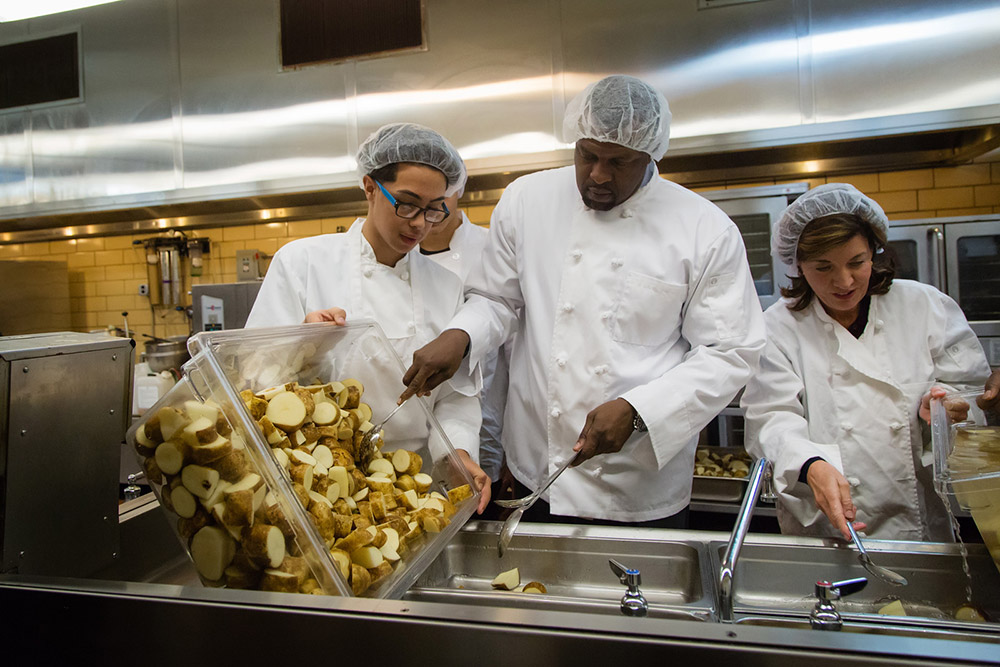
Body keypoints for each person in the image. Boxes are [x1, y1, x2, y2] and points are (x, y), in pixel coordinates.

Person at [399, 75, 766, 526]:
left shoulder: (704, 230)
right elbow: (497, 299)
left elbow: (731, 352)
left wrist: (638, 411)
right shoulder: (526, 200)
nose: (597, 174)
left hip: (637, 487)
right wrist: (462, 334)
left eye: (619, 161)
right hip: (535, 475)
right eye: (587, 155)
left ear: (650, 155)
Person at [245, 122, 490, 513]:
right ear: (370, 187)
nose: (419, 223)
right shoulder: (303, 262)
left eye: (433, 210)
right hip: (316, 485)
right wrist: (304, 344)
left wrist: (455, 454)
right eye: (407, 204)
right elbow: (251, 382)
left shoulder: (446, 285)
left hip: (414, 488)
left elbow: (454, 396)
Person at [741, 183, 991, 542]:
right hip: (825, 525)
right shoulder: (778, 327)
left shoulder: (924, 306)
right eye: (823, 267)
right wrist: (810, 465)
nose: (843, 282)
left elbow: (970, 390)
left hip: (921, 522)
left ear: (874, 253)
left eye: (857, 262)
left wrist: (946, 406)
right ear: (798, 266)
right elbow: (771, 417)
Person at [418, 188, 509, 484]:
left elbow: (516, 349)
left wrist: (514, 453)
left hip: (485, 426)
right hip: (414, 431)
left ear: (458, 188)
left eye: (440, 196)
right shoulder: (398, 254)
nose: (428, 213)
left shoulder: (491, 248)